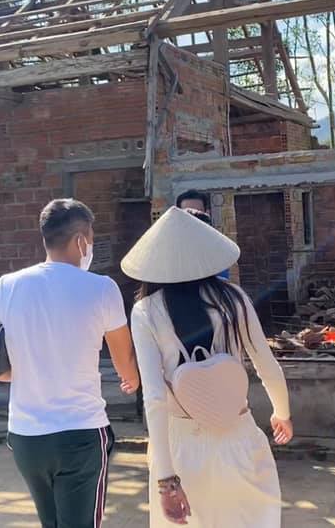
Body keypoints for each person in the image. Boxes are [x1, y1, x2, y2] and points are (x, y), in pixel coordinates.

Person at [0, 198, 140, 528]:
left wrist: (29, 372)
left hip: (26, 436)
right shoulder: (102, 289)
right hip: (80, 433)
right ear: (81, 240)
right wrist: (131, 380)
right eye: (90, 238)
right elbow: (125, 363)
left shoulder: (5, 286)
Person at [122, 207, 293, 527]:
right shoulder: (233, 298)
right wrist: (281, 412)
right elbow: (266, 365)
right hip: (238, 435)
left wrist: (166, 480)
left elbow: (154, 399)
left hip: (181, 446)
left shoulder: (146, 311)